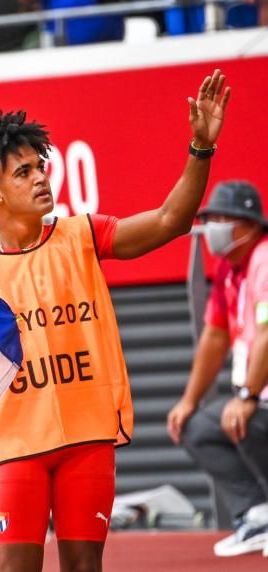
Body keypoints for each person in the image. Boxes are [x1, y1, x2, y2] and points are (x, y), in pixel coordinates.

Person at [0, 68, 230, 572]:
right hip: (14, 444)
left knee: (84, 568)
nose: (40, 176)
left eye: (39, 166)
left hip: (86, 439)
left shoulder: (82, 234)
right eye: (22, 172)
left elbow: (169, 221)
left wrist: (200, 149)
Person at [167, 180, 268, 558]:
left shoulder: (264, 257)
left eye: (225, 218)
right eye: (211, 219)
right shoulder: (228, 269)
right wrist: (188, 400)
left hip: (258, 398)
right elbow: (214, 337)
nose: (215, 228)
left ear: (252, 224)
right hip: (258, 397)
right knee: (196, 427)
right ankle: (258, 515)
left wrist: (246, 396)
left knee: (245, 420)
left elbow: (267, 331)